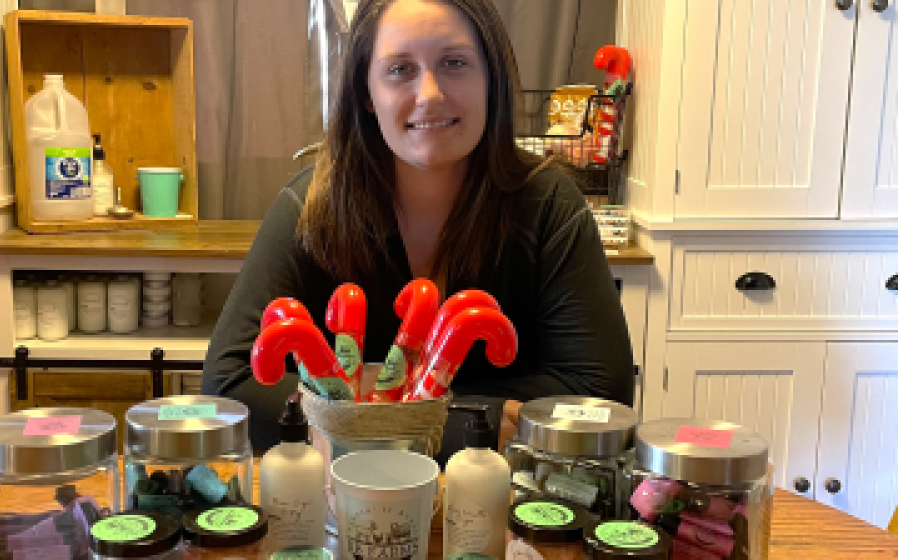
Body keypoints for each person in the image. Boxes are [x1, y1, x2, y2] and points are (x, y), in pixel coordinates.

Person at [202, 0, 634, 461]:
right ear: (367, 92)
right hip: (341, 504)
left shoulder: (549, 205)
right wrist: (478, 418)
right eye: (399, 69)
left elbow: (600, 395)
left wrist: (364, 420)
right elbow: (230, 384)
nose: (429, 93)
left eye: (454, 63)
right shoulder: (311, 206)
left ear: (492, 79)